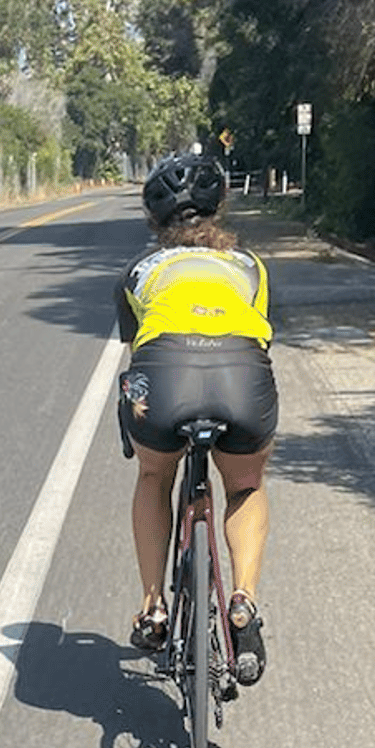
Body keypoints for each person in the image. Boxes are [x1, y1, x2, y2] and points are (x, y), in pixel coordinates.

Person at [115, 152, 278, 684]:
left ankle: (154, 605)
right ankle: (244, 601)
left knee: (154, 476)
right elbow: (258, 329)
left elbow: (135, 347)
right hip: (240, 376)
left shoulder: (138, 272)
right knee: (247, 486)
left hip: (165, 379)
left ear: (155, 223)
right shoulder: (250, 267)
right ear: (220, 208)